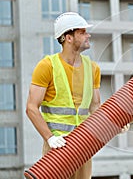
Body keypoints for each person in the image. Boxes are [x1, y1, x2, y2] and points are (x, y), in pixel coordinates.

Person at [25, 12, 101, 179]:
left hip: (83, 146)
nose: (88, 35)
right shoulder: (47, 66)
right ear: (68, 38)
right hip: (57, 148)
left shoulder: (93, 68)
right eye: (82, 32)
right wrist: (50, 138)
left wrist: (113, 122)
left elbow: (95, 106)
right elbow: (31, 108)